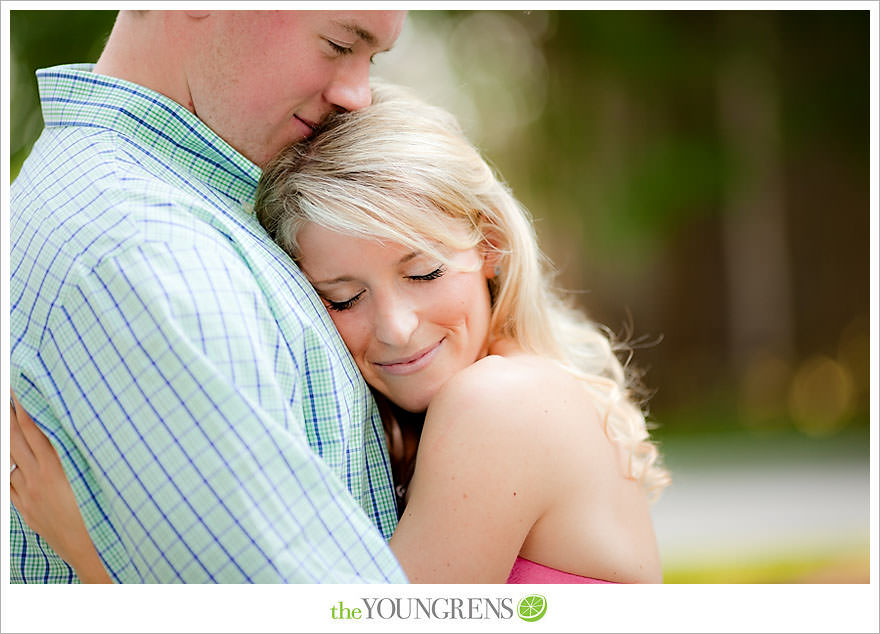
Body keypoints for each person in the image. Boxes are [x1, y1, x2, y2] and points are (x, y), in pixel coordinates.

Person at [12, 81, 670, 583]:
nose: (395, 328)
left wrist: (91, 556)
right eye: (343, 297)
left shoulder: (498, 406)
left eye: (423, 272)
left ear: (489, 247)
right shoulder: (498, 397)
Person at [8, 10, 409, 583]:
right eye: (338, 43)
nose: (358, 94)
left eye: (370, 61)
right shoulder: (147, 251)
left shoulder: (185, 215)